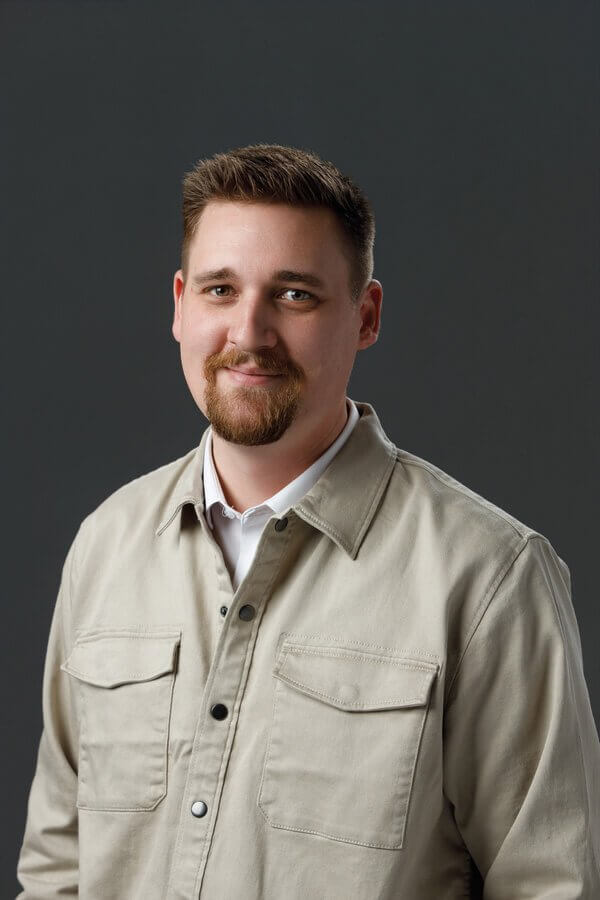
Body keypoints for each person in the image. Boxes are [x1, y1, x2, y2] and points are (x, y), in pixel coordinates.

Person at [16, 143, 600, 899]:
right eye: (221, 290)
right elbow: (57, 872)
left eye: (294, 295)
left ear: (366, 316)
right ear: (180, 305)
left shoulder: (490, 577)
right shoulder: (106, 546)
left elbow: (550, 885)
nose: (250, 333)